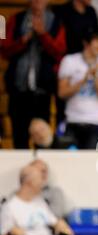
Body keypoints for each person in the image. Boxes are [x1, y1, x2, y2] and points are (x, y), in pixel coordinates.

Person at [2, 0, 66, 149]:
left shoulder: (56, 21)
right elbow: (4, 49)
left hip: (42, 90)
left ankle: (40, 168)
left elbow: (60, 52)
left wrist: (43, 35)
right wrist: (23, 40)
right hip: (18, 89)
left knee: (42, 137)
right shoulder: (16, 19)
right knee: (19, 136)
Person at [58, 31, 98, 149]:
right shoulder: (69, 61)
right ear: (86, 43)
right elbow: (62, 93)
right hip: (73, 120)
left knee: (90, 163)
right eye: (97, 41)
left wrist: (95, 77)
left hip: (97, 122)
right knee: (69, 162)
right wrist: (83, 80)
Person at [0, 165, 74, 235]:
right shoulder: (9, 207)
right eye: (41, 179)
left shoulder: (39, 201)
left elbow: (54, 222)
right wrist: (10, 234)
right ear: (29, 182)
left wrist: (60, 225)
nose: (43, 183)